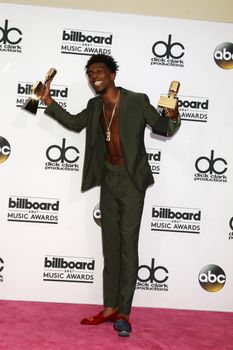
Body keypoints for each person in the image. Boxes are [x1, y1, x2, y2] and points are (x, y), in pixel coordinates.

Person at [37, 54, 181, 337]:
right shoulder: (94, 105)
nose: (94, 77)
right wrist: (48, 101)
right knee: (110, 248)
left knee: (128, 248)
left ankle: (124, 313)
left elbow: (163, 128)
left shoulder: (137, 101)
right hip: (108, 180)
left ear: (113, 74)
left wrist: (173, 114)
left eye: (99, 71)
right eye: (90, 73)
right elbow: (75, 123)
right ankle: (109, 308)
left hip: (131, 183)